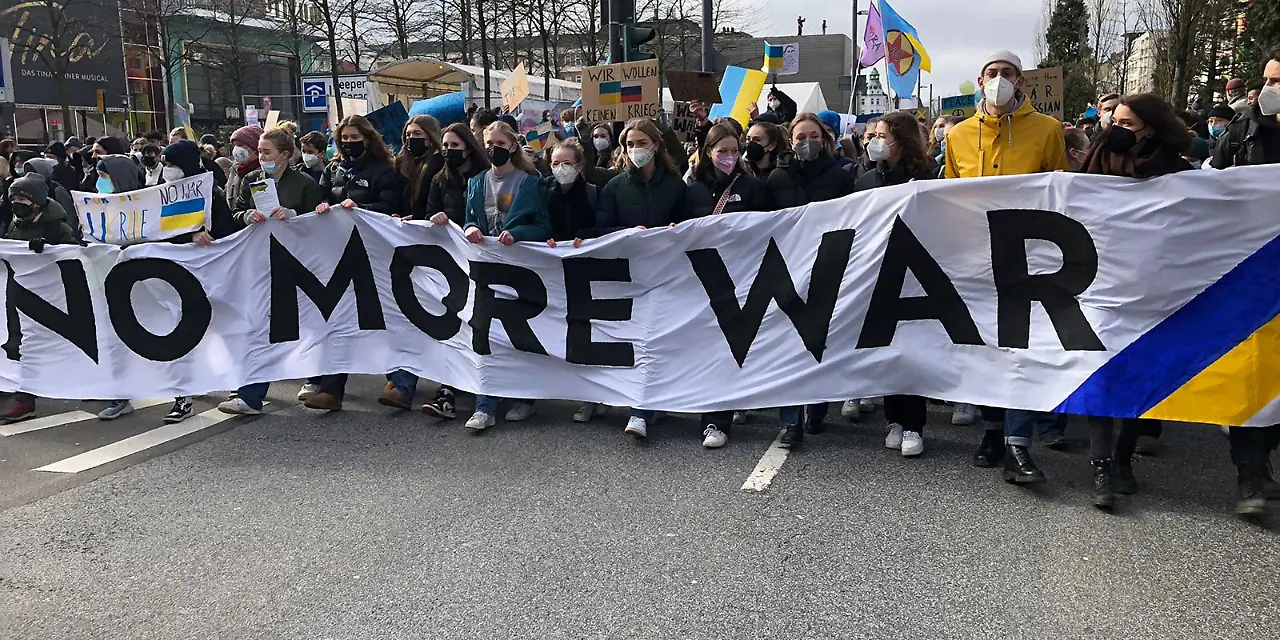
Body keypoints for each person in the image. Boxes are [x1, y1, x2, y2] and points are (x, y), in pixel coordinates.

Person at [945, 51, 1068, 483]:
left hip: (1030, 259)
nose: (1000, 80)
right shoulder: (958, 135)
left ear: (1022, 83)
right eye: (993, 73)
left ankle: (1018, 444)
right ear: (980, 80)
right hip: (976, 259)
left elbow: (1061, 192)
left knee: (1022, 350)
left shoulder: (1049, 130)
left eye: (1008, 74)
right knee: (985, 349)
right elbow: (951, 195)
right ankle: (993, 433)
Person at [1073, 92, 1193, 510]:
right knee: (1102, 373)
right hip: (1103, 283)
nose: (1115, 130)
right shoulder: (1097, 160)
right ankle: (1102, 464)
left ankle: (1124, 457)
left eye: (1126, 125)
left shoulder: (1177, 172)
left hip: (1152, 286)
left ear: (1151, 129)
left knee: (1137, 373)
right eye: (1114, 122)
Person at [580, 118, 688, 439]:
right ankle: (636, 406)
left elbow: (689, 226)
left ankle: (644, 407)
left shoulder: (675, 185)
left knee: (654, 340)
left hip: (664, 275)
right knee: (633, 341)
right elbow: (601, 229)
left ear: (656, 145)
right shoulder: (615, 186)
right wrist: (628, 233)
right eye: (630, 144)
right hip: (626, 276)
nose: (636, 149)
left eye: (642, 143)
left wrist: (675, 231)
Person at [1209, 46, 1280, 517]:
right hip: (1257, 269)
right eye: (1271, 80)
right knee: (1256, 369)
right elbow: (1208, 187)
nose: (1273, 90)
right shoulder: (1241, 129)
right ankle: (1252, 475)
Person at [216, 130, 327, 416]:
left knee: (307, 323)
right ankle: (250, 393)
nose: (261, 157)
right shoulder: (252, 180)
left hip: (298, 264)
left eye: (266, 152)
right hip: (260, 260)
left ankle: (316, 376)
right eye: (261, 152)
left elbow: (320, 223)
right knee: (259, 325)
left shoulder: (305, 184)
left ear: (285, 155)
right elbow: (235, 212)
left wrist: (293, 217)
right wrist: (247, 216)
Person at [766, 112, 858, 447]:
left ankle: (817, 408)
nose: (807, 143)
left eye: (814, 136)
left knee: (822, 341)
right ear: (790, 141)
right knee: (788, 345)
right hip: (787, 270)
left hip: (827, 265)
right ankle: (790, 422)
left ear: (825, 139)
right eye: (800, 137)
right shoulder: (778, 177)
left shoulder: (840, 175)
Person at [850, 112, 939, 456]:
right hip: (878, 274)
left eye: (882, 135)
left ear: (901, 141)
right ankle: (894, 420)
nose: (874, 141)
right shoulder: (865, 179)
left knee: (912, 350)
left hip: (917, 275)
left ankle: (915, 423)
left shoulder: (927, 178)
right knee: (888, 349)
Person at [305, 115, 407, 411]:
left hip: (372, 256)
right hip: (337, 255)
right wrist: (321, 207)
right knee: (340, 320)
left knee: (377, 319)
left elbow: (390, 207)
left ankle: (400, 382)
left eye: (354, 138)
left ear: (367, 139)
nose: (349, 143)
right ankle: (331, 389)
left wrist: (362, 208)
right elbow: (321, 198)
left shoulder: (383, 172)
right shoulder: (334, 170)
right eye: (344, 139)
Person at [681, 123, 771, 448]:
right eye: (722, 151)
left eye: (734, 150)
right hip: (706, 279)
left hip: (743, 276)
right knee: (713, 348)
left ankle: (735, 400)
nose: (729, 157)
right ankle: (715, 420)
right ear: (709, 152)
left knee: (738, 345)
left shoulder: (752, 186)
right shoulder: (693, 189)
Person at [458, 121, 552, 431]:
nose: (492, 148)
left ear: (512, 146)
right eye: (487, 142)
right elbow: (470, 220)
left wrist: (518, 233)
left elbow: (543, 226)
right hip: (486, 268)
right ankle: (485, 404)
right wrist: (470, 228)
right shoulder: (476, 183)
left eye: (499, 142)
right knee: (483, 333)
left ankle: (525, 398)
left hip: (520, 270)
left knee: (519, 335)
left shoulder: (530, 182)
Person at [0, 173, 81, 420]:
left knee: (48, 343)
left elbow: (75, 256)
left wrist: (49, 250)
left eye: (22, 199)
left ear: (36, 201)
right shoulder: (16, 224)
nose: (16, 203)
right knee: (18, 342)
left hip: (49, 296)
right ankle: (25, 397)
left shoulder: (58, 227)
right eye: (13, 198)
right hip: (19, 293)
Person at [1213, 45, 1280, 171]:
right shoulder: (1240, 130)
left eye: (1276, 81)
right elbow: (1215, 182)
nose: (1266, 87)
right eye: (1266, 80)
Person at [396, 115, 445, 221]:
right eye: (408, 135)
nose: (411, 138)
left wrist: (417, 217)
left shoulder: (439, 163)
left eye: (417, 133)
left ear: (430, 137)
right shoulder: (401, 164)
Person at [226, 125, 263, 209]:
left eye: (240, 145)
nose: (236, 150)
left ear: (255, 147)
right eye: (235, 146)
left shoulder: (264, 172)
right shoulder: (235, 171)